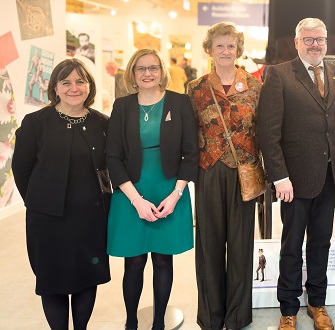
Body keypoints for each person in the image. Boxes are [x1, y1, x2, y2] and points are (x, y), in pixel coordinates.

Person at [256, 17, 335, 330]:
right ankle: (288, 308)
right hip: (294, 180)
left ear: (327, 41)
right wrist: (279, 176)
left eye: (320, 39)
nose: (315, 45)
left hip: (329, 174)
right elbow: (268, 132)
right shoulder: (280, 74)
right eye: (308, 39)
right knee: (292, 245)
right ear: (297, 42)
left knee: (321, 242)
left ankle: (317, 303)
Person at [12, 58, 111, 330]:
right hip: (48, 220)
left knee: (87, 277)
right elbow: (21, 169)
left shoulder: (102, 123)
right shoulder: (36, 123)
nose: (73, 88)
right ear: (55, 87)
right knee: (52, 282)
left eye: (80, 81)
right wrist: (37, 203)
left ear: (89, 86)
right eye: (66, 82)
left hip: (91, 218)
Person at [106, 48, 198, 330]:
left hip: (169, 189)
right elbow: (112, 156)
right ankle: (131, 322)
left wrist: (176, 194)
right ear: (132, 74)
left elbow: (191, 153)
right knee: (133, 262)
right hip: (130, 192)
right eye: (141, 68)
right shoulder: (122, 106)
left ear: (162, 72)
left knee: (162, 258)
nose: (148, 73)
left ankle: (159, 322)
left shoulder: (180, 103)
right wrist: (136, 200)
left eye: (153, 68)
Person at [186, 22, 262, 330]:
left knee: (242, 245)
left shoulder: (256, 87)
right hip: (208, 172)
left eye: (231, 45)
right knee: (209, 245)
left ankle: (238, 316)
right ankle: (211, 315)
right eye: (220, 45)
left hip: (244, 172)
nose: (226, 51)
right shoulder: (196, 88)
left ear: (238, 49)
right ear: (209, 50)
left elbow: (266, 132)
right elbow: (188, 134)